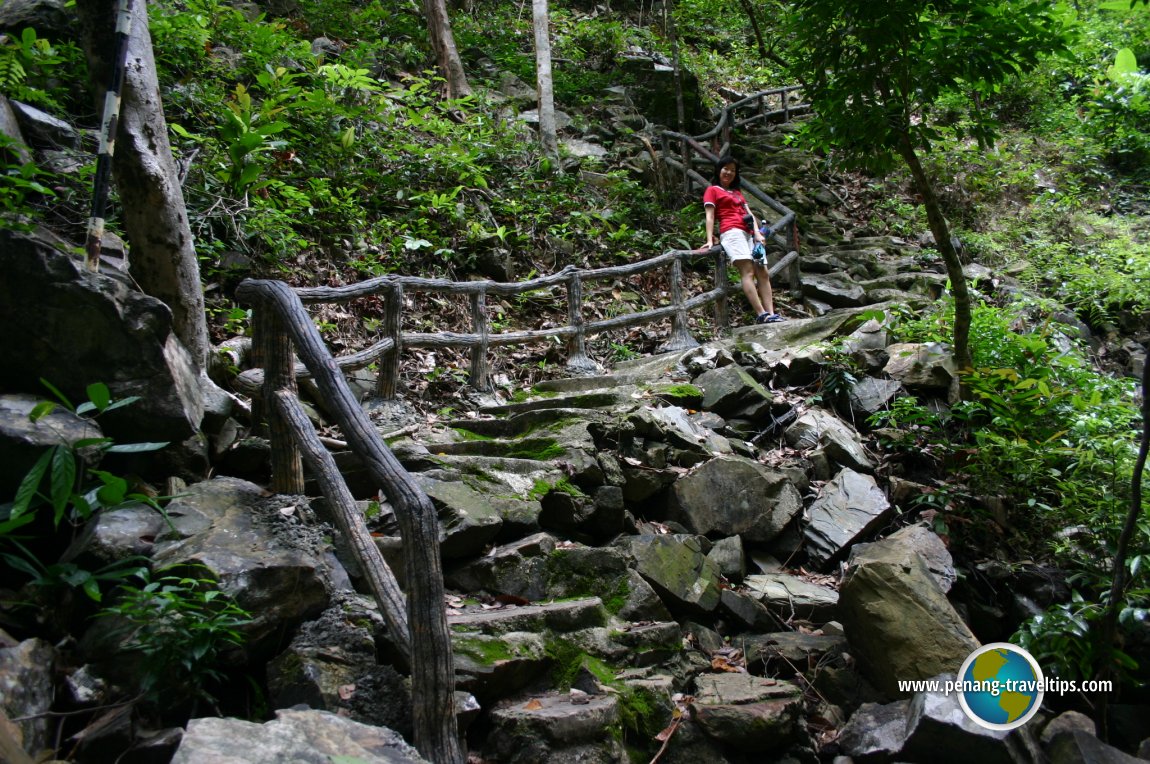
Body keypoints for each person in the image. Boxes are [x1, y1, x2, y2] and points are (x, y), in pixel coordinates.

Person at [702, 155, 783, 324]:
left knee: (763, 271)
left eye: (732, 170)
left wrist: (757, 234)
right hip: (732, 232)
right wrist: (710, 239)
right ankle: (762, 314)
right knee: (748, 271)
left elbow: (749, 214)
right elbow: (709, 216)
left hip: (749, 234)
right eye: (726, 168)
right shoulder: (712, 190)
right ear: (719, 170)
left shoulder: (737, 193)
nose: (729, 172)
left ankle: (771, 313)